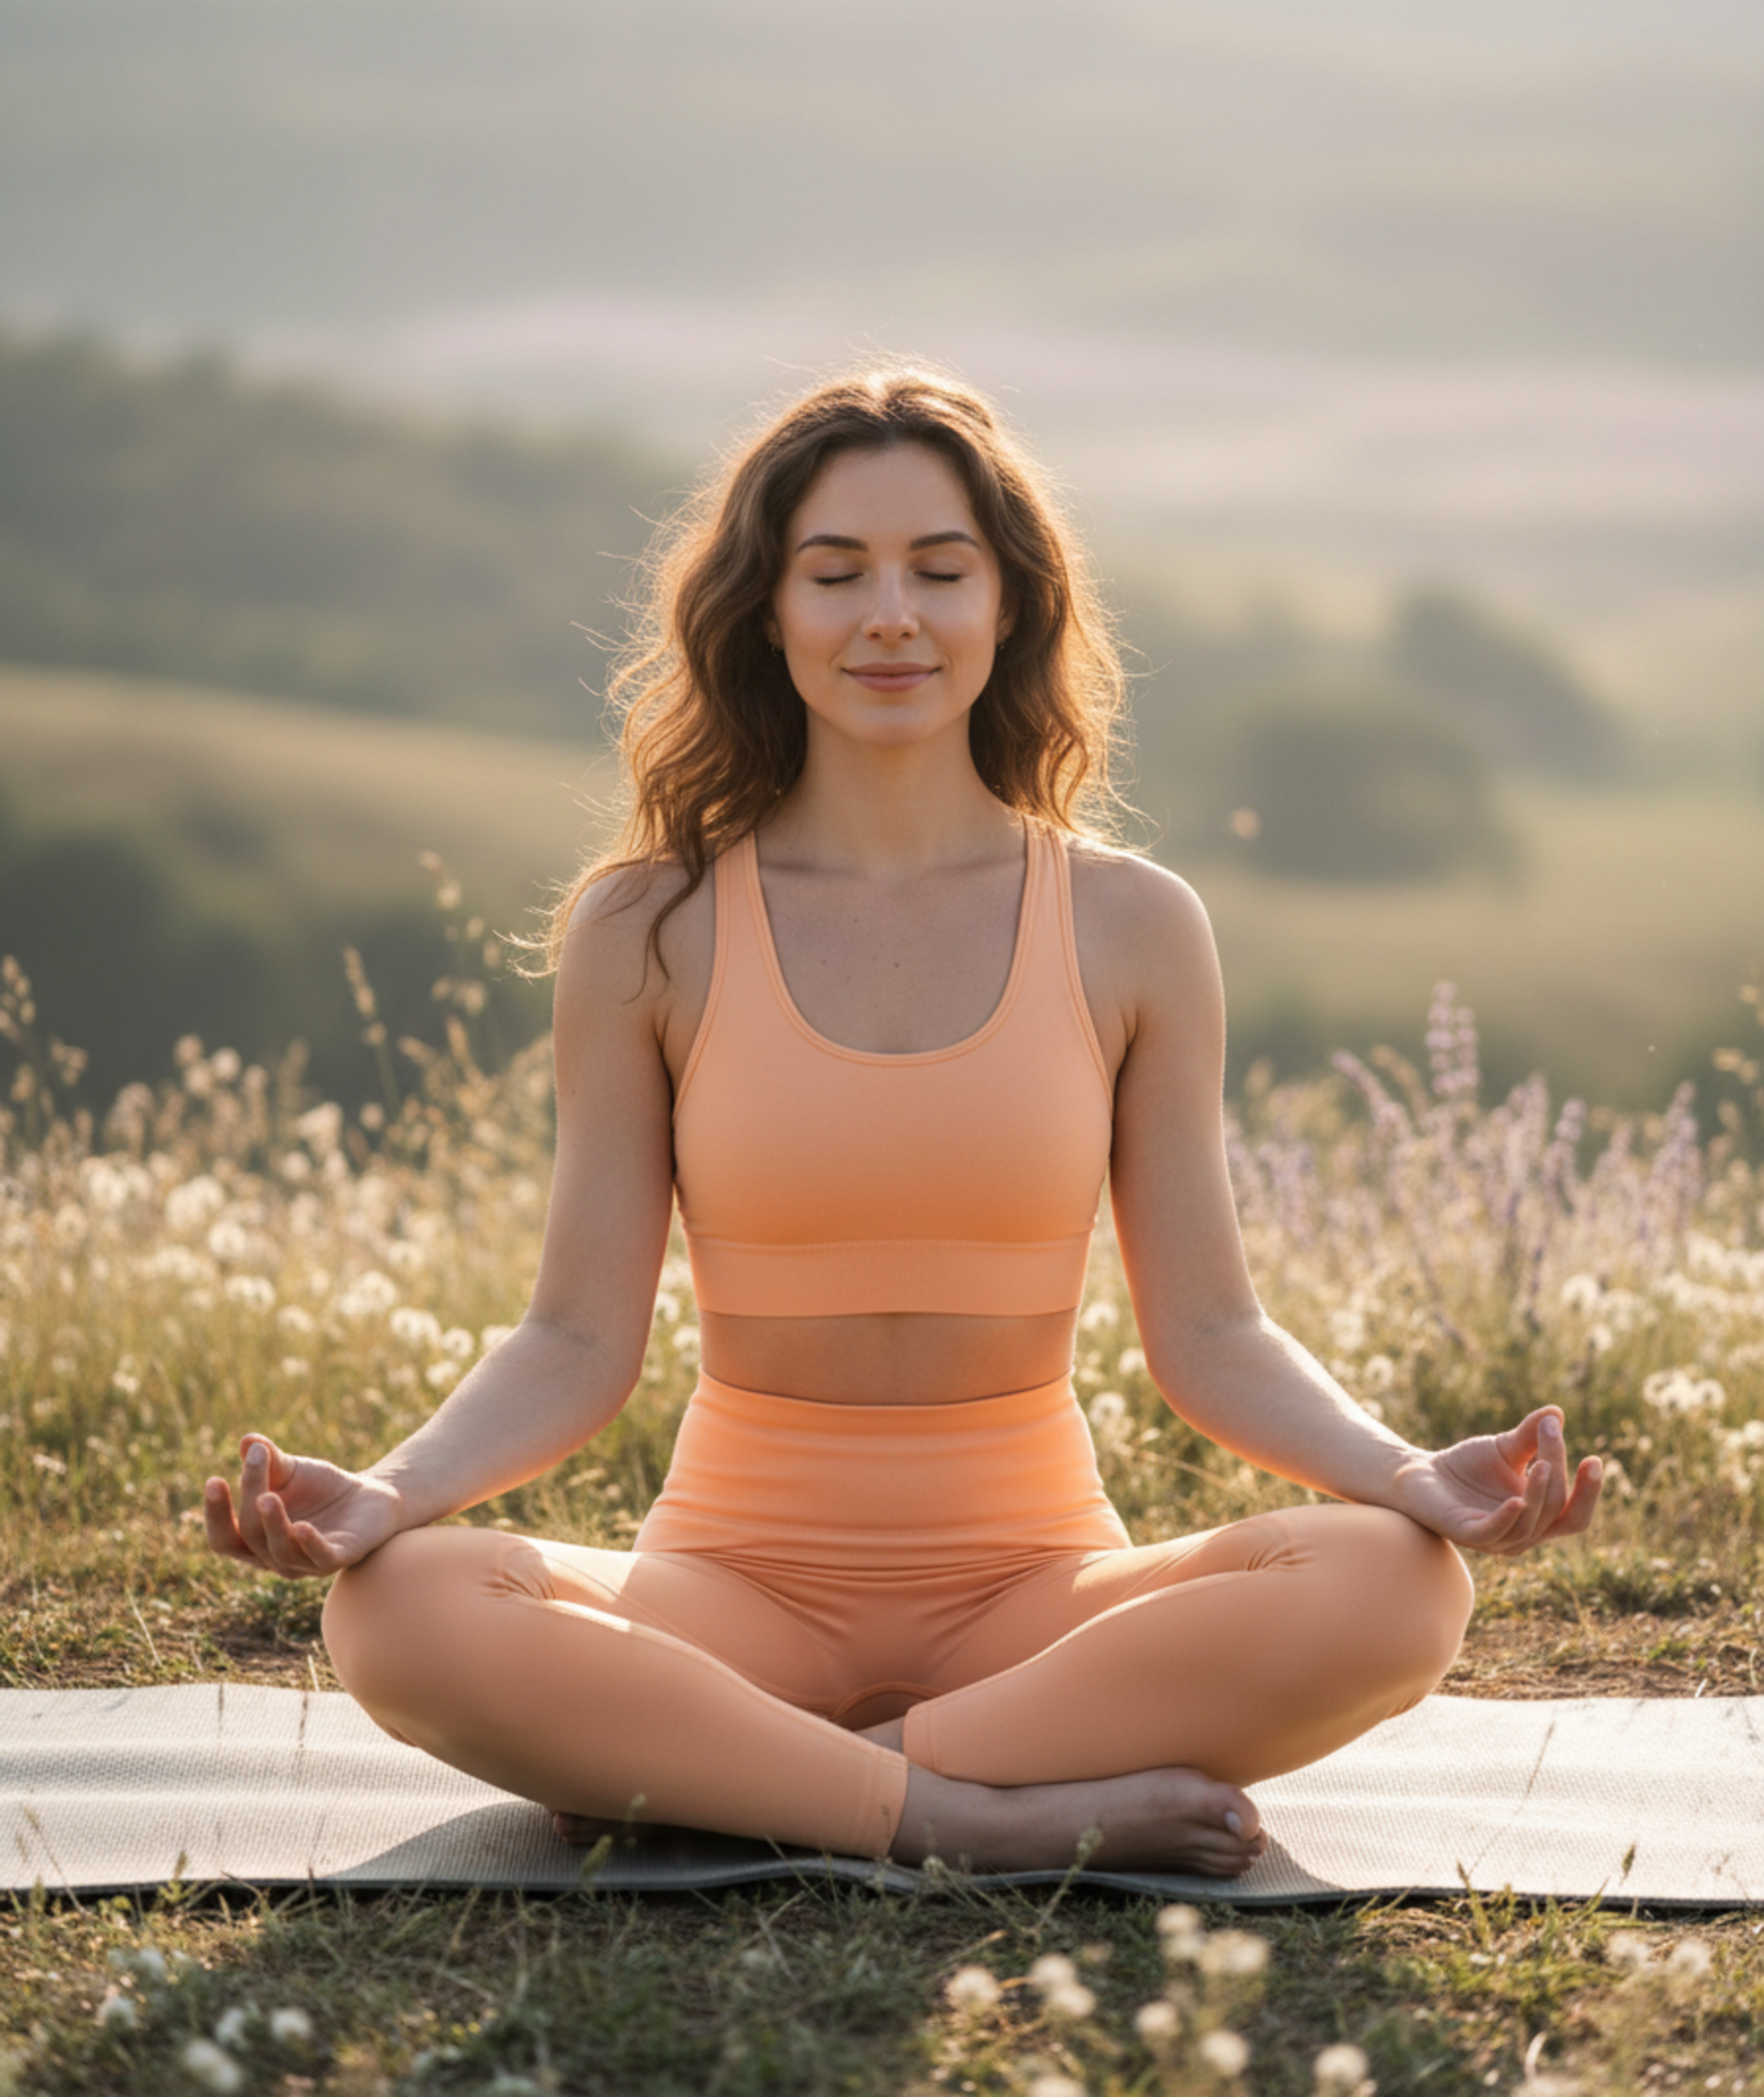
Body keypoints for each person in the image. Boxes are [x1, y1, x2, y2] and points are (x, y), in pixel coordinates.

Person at [205, 367, 1603, 1877]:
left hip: (1039, 1608)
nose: (892, 616)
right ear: (768, 613)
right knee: (397, 1610)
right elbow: (570, 1341)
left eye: (941, 571)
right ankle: (969, 1818)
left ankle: (743, 1782)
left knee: (1401, 1587)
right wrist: (395, 1493)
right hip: (729, 1595)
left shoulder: (1133, 925)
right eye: (837, 573)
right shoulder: (648, 928)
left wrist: (1402, 1473)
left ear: (1009, 607)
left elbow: (1212, 1335)